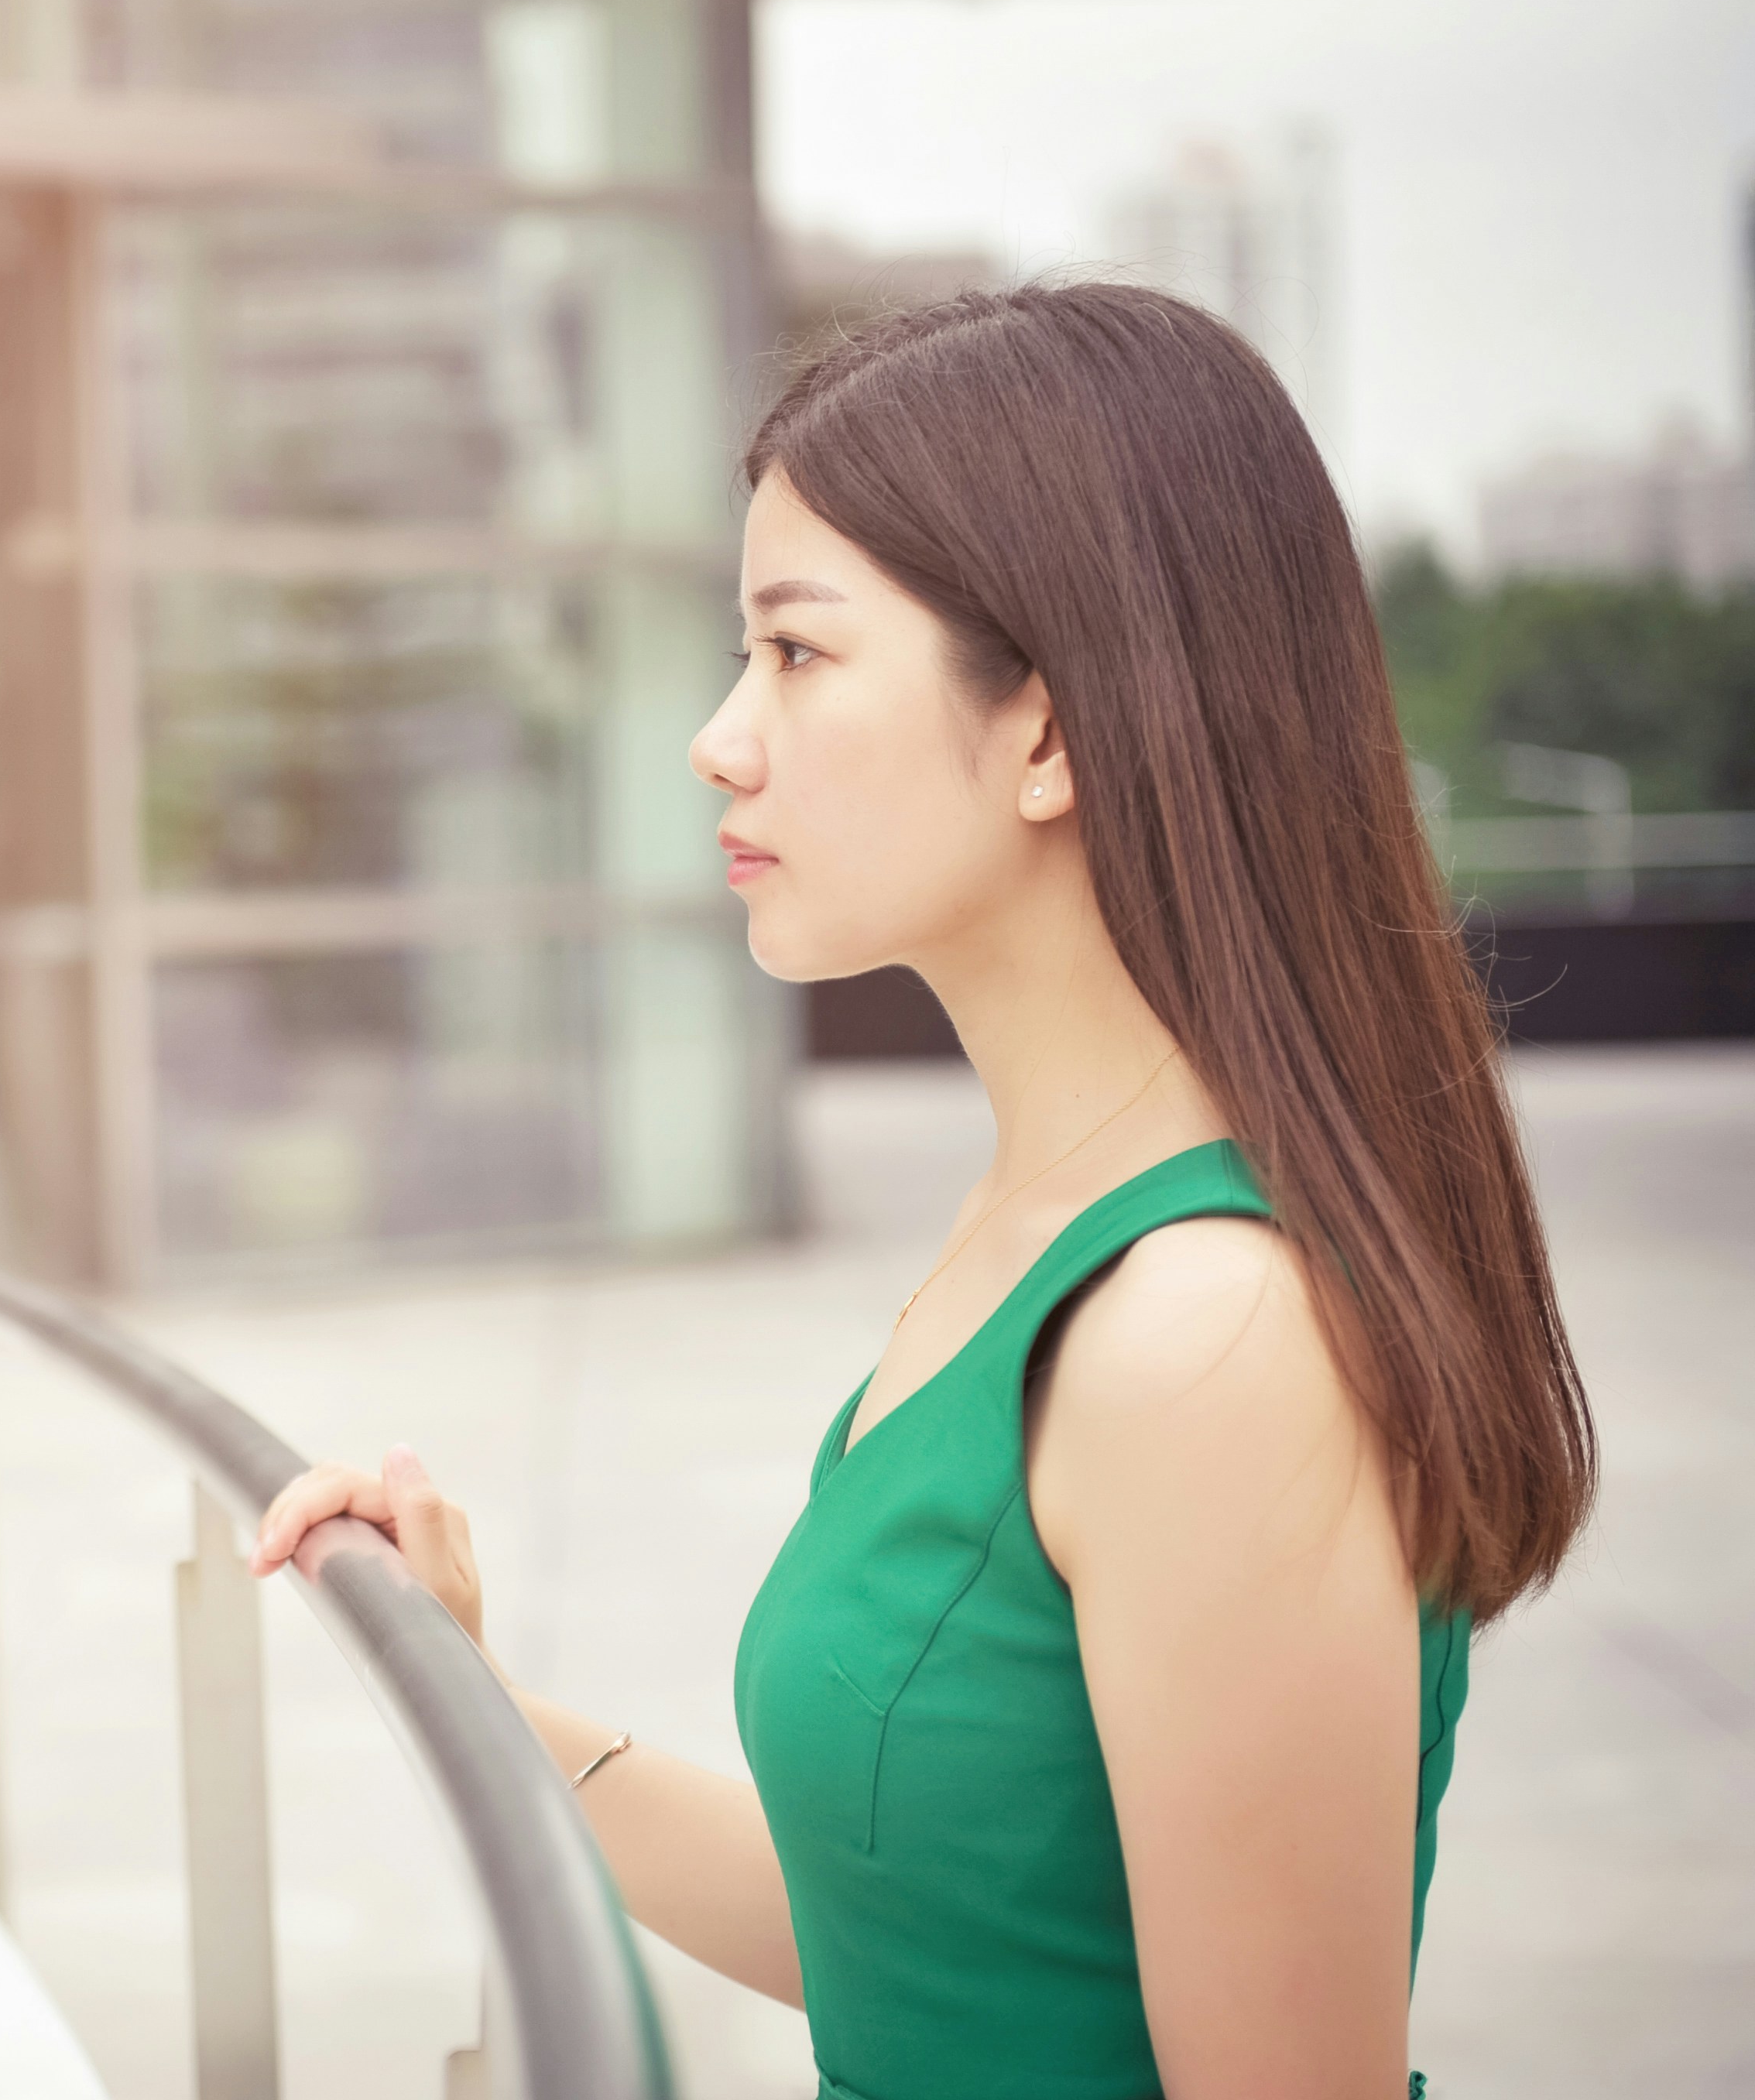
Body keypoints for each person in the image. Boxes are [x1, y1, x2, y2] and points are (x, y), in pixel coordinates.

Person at [249, 284, 1596, 2100]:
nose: (723, 740)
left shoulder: (1201, 1337)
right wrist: (478, 1694)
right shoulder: (1040, 1236)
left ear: (1049, 734)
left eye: (797, 657)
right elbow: (933, 1943)